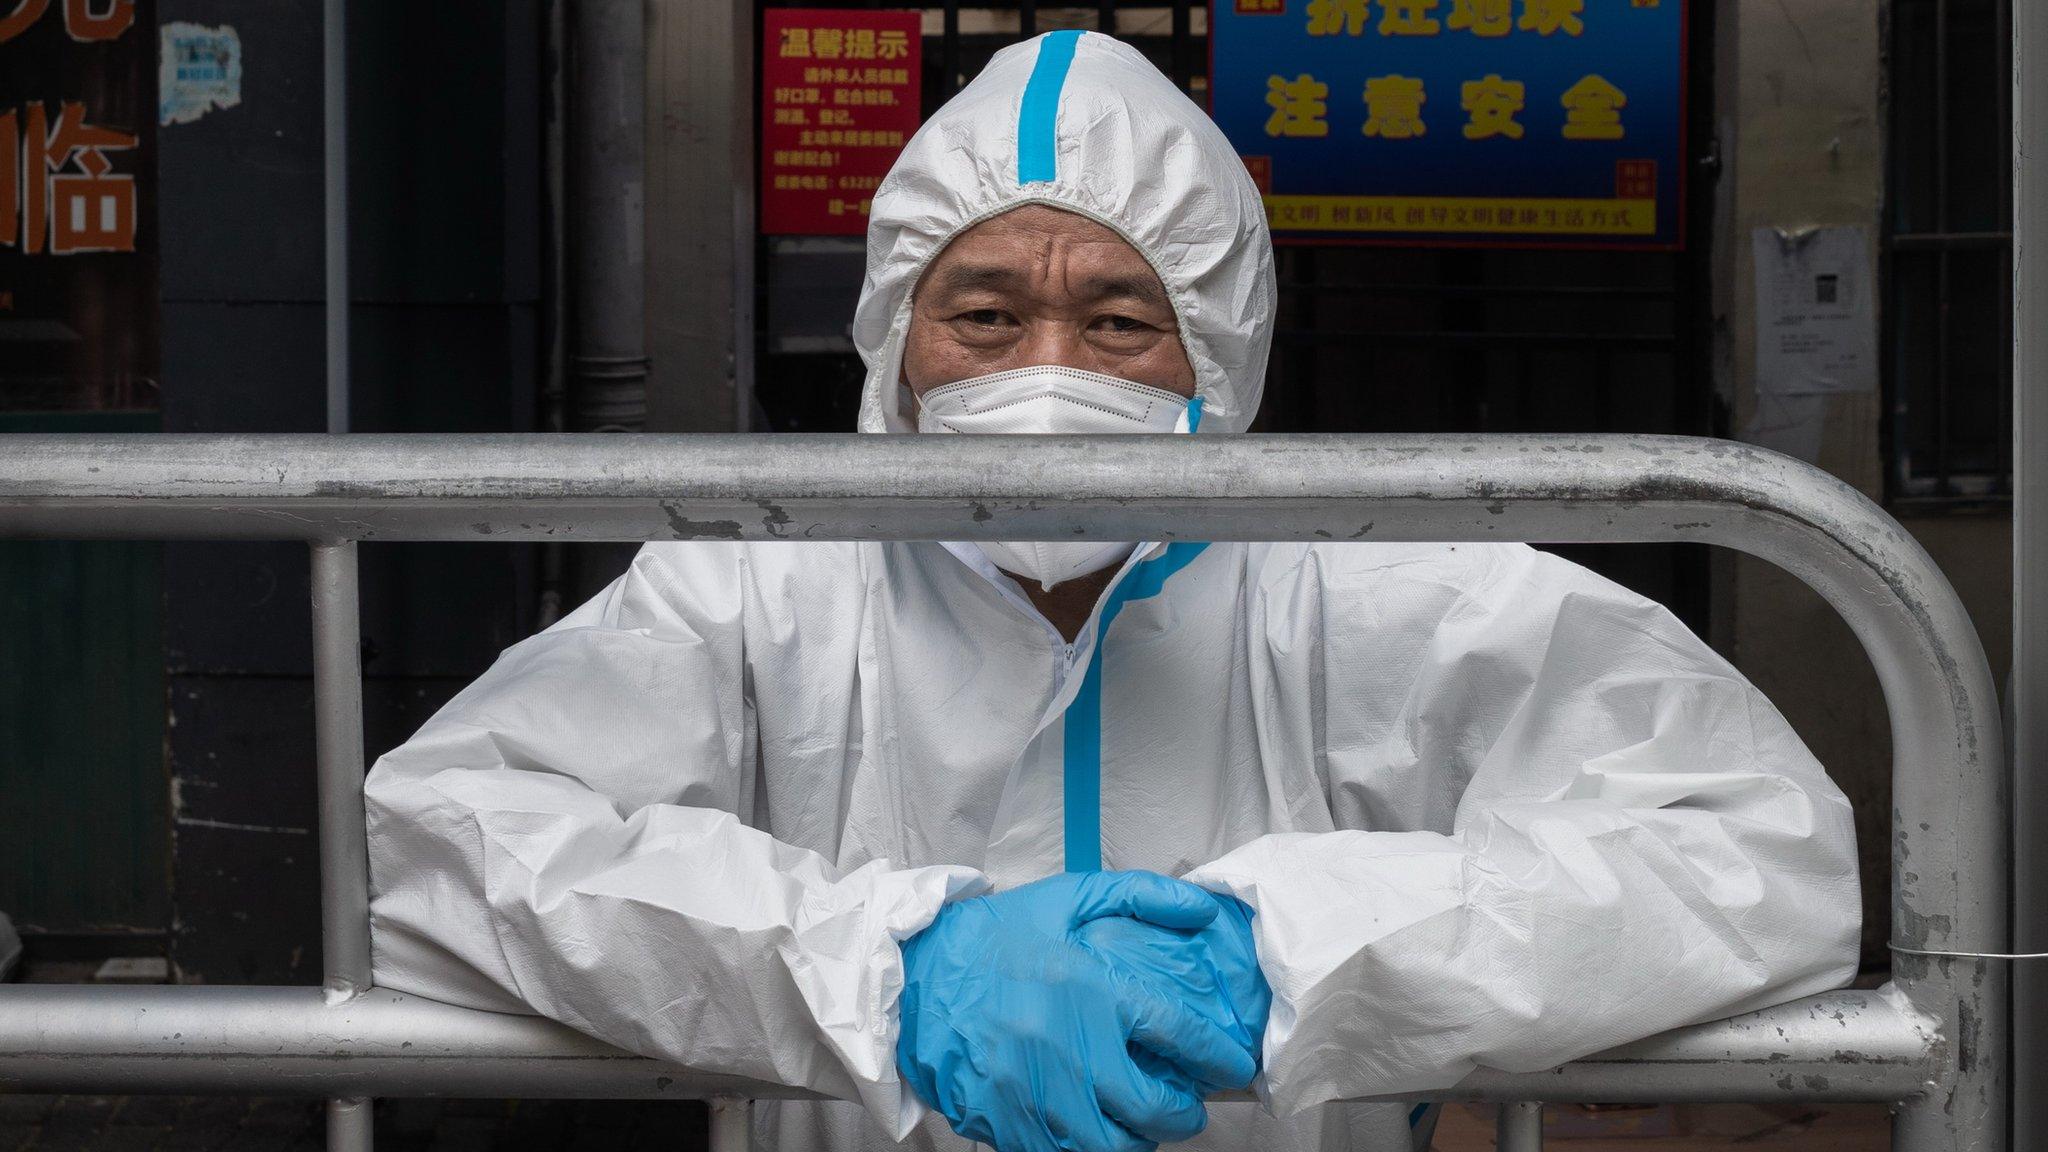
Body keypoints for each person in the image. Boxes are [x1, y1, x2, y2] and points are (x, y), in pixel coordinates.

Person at [363, 30, 1860, 1152]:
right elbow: (447, 837)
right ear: (895, 346)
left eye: (1120, 316)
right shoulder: (759, 593)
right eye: (988, 314)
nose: (1049, 373)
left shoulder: (1390, 590)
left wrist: (1296, 954)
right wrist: (884, 966)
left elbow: (1756, 852)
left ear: (1220, 354)